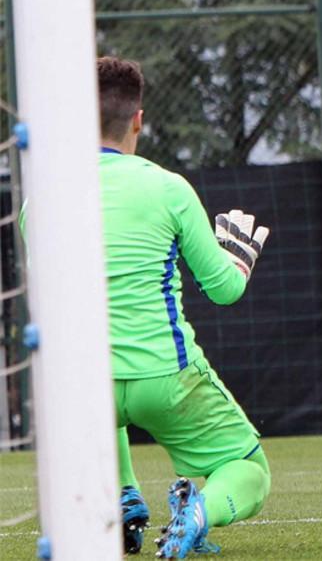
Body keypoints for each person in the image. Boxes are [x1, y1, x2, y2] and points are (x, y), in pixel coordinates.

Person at [93, 57, 272, 556]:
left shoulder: (41, 196)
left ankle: (124, 493)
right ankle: (199, 511)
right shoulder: (169, 187)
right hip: (165, 377)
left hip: (86, 384)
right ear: (138, 120)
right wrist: (237, 260)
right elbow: (224, 291)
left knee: (108, 402)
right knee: (251, 473)